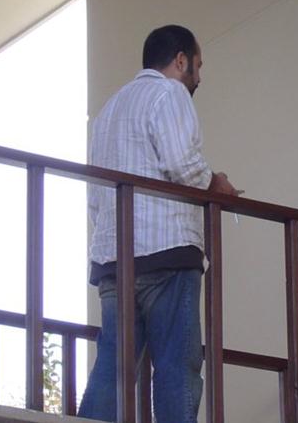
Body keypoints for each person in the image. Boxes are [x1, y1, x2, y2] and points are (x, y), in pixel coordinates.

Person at [78, 25, 240, 423]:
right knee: (176, 367)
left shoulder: (107, 112)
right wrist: (216, 184)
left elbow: (96, 198)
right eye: (198, 65)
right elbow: (182, 164)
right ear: (181, 61)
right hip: (167, 252)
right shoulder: (170, 93)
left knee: (113, 366)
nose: (199, 77)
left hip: (113, 259)